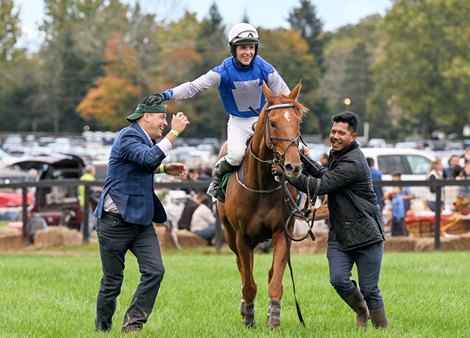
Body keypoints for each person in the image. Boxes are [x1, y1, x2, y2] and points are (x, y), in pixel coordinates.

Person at [141, 22, 290, 202]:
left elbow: (287, 96)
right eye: (243, 48)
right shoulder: (222, 72)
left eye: (251, 47)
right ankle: (218, 175)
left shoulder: (265, 68)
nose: (248, 52)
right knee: (235, 156)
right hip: (239, 123)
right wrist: (165, 95)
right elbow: (193, 87)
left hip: (265, 121)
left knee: (297, 152)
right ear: (233, 49)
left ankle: (303, 200)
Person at [93, 101, 190, 333]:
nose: (165, 123)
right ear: (146, 116)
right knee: (112, 283)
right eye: (162, 118)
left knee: (155, 271)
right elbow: (146, 159)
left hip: (141, 221)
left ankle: (132, 325)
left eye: (167, 120)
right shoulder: (127, 136)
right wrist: (175, 132)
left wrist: (165, 169)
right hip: (114, 222)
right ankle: (102, 330)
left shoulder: (145, 140)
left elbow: (140, 164)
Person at [286, 112, 388, 329]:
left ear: (353, 136)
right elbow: (325, 174)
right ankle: (362, 311)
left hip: (366, 235)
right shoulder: (339, 155)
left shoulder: (353, 162)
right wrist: (302, 158)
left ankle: (382, 330)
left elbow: (321, 186)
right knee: (338, 280)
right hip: (340, 234)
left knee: (370, 290)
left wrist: (288, 174)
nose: (335, 136)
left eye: (341, 133)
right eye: (333, 131)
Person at [79, 164, 96, 237]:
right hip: (89, 202)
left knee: (84, 219)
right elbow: (93, 192)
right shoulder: (91, 179)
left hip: (82, 202)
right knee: (90, 219)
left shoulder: (81, 178)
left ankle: (82, 234)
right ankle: (87, 235)